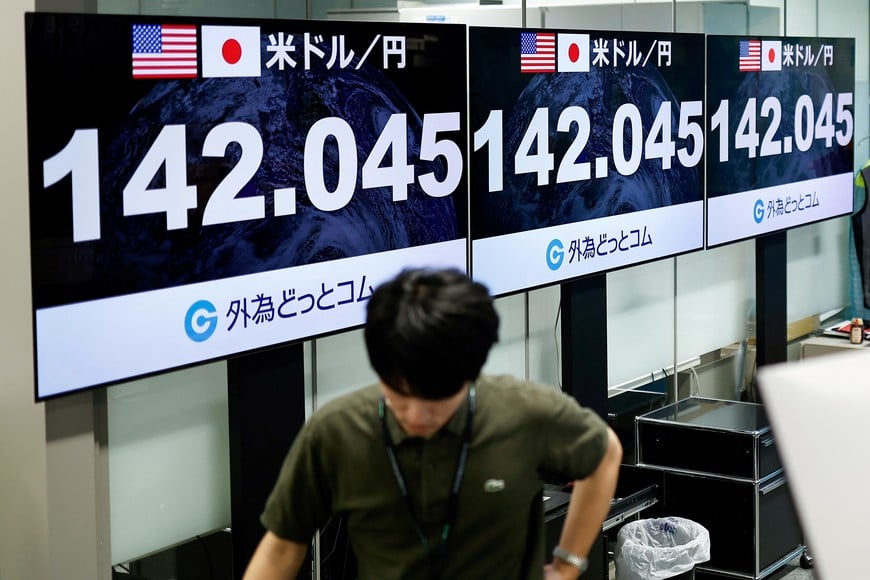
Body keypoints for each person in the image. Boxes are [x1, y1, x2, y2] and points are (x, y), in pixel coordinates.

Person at [244, 268, 622, 579]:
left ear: (469, 376)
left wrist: (568, 564)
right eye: (400, 395)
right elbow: (281, 548)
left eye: (437, 401)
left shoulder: (524, 413)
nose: (416, 414)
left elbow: (605, 452)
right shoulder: (336, 432)